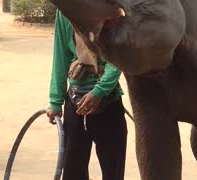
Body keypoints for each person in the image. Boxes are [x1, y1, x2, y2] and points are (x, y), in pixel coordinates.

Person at [46, 10, 127, 180]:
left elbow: (118, 55)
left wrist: (100, 91)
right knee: (73, 171)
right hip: (75, 103)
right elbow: (60, 55)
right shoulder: (65, 11)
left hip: (109, 101)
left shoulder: (111, 7)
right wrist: (55, 101)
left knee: (113, 170)